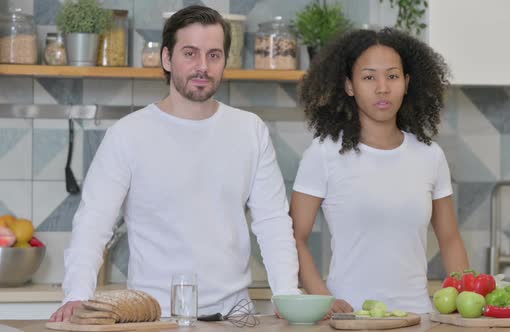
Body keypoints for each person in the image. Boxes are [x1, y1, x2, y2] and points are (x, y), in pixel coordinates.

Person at [50, 5, 300, 322]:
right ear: (167, 58)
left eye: (214, 55)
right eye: (190, 53)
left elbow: (274, 223)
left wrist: (287, 293)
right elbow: (93, 224)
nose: (203, 67)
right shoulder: (128, 134)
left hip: (234, 318)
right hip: (153, 318)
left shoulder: (250, 130)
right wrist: (77, 295)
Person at [291, 28, 470, 315]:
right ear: (349, 85)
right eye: (369, 77)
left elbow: (450, 240)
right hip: (350, 318)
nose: (382, 88)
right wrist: (322, 298)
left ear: (407, 82)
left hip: (416, 318)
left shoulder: (430, 156)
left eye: (393, 76)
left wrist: (466, 302)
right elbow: (294, 236)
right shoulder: (323, 154)